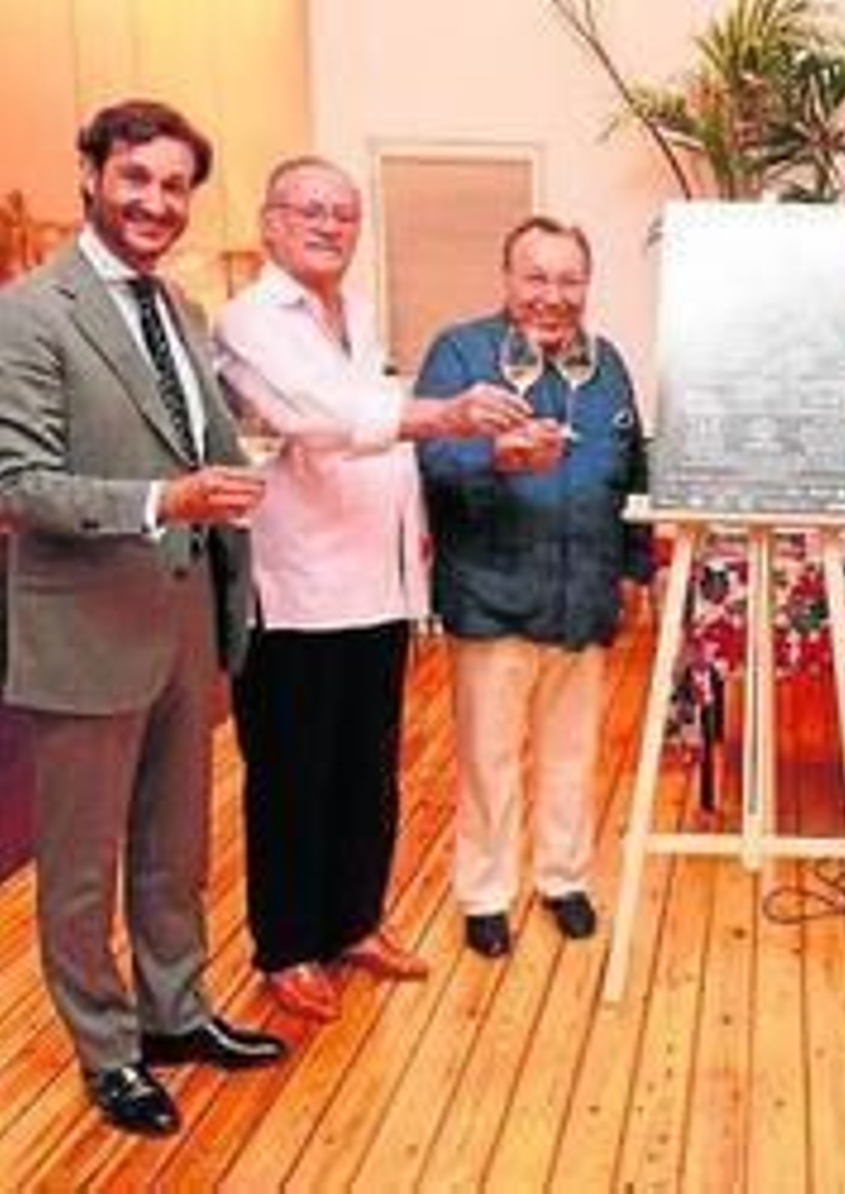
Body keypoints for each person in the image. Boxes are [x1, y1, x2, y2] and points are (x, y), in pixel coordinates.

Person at [0, 99, 285, 1138]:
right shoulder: (29, 314)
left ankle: (175, 1011)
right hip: (81, 632)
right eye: (136, 180)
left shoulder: (179, 312)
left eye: (174, 187)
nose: (156, 203)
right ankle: (108, 1052)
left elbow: (193, 440)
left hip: (182, 623)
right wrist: (167, 501)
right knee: (80, 871)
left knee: (174, 845)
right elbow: (19, 484)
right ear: (89, 175)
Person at [215, 157, 529, 1021]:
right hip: (297, 588)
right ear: (270, 222)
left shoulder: (354, 311)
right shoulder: (251, 321)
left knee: (367, 770)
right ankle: (287, 946)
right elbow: (313, 417)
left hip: (380, 582)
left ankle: (354, 920)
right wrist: (445, 413)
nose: (328, 226)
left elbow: (377, 422)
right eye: (309, 210)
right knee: (292, 774)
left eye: (344, 214)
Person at [415, 215, 651, 958]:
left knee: (573, 754)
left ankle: (563, 877)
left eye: (569, 279)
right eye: (536, 277)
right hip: (492, 593)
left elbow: (632, 473)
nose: (553, 295)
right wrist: (497, 460)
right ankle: (486, 892)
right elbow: (431, 460)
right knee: (488, 759)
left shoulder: (607, 363)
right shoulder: (461, 353)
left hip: (582, 595)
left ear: (587, 284)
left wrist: (635, 568)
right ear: (508, 279)